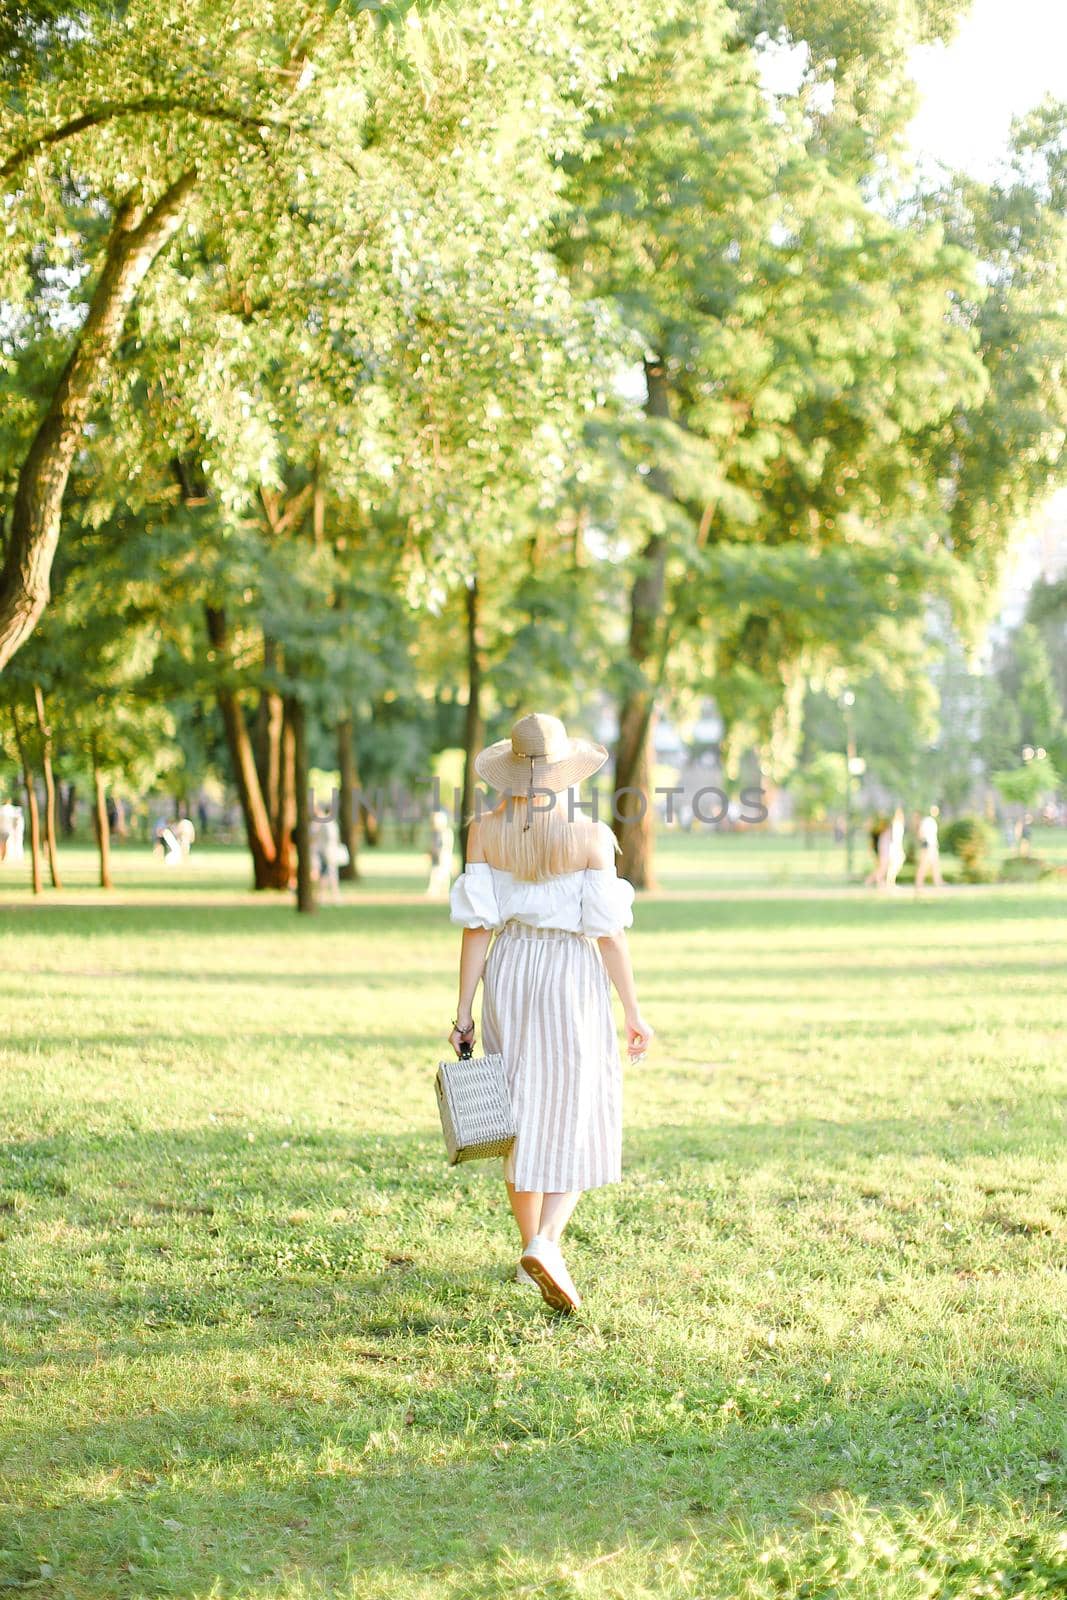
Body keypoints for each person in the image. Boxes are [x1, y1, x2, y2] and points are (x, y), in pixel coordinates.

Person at [447, 712, 654, 1314]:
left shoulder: (483, 832)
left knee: (520, 1112)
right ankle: (546, 1242)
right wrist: (633, 1010)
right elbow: (609, 935)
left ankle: (528, 1252)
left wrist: (463, 1010)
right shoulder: (590, 837)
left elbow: (478, 928)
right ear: (564, 774)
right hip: (569, 975)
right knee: (577, 1107)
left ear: (509, 772)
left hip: (510, 974)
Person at [309, 807, 343, 902]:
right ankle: (328, 896)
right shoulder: (328, 824)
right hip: (326, 852)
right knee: (328, 875)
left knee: (328, 875)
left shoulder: (327, 823)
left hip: (326, 852)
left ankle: (327, 896)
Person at [426, 808, 454, 897]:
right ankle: (434, 890)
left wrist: (437, 853)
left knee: (441, 873)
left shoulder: (445, 832)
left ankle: (441, 890)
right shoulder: (436, 833)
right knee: (435, 872)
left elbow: (443, 847)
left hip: (443, 856)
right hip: (438, 856)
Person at [915, 806, 944, 890]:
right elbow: (921, 833)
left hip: (933, 846)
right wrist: (925, 842)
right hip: (927, 846)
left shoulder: (932, 821)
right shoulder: (927, 820)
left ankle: (938, 882)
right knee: (923, 864)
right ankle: (919, 883)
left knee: (935, 864)